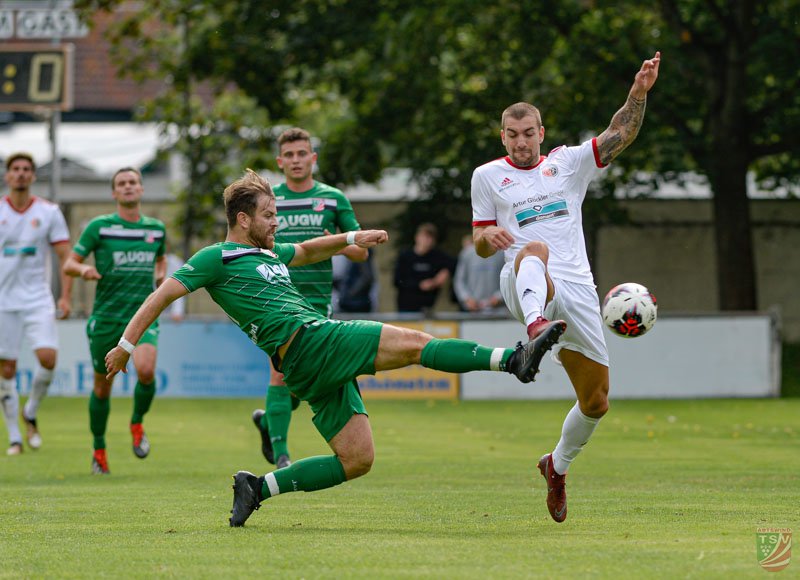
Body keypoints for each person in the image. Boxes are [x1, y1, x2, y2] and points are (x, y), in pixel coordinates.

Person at [103, 169, 552, 527]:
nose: (276, 221)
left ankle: (258, 488)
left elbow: (310, 250)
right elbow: (162, 294)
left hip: (303, 360)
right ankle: (513, 360)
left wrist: (351, 239)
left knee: (357, 460)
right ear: (243, 219)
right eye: (268, 214)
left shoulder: (267, 254)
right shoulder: (214, 258)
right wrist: (127, 344)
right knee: (415, 343)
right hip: (311, 341)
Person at [470, 52, 661, 523]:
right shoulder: (487, 176)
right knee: (533, 249)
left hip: (576, 290)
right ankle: (536, 328)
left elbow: (621, 134)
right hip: (525, 278)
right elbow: (478, 241)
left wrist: (638, 92)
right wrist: (487, 238)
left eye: (528, 133)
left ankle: (556, 466)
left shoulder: (568, 164)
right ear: (503, 137)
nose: (520, 142)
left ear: (541, 132)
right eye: (511, 135)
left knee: (596, 401)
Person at [250, 127, 368, 470]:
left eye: (302, 154)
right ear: (279, 161)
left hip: (317, 302)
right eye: (289, 155)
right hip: (277, 300)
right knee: (280, 375)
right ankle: (282, 454)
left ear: (313, 158)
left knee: (302, 381)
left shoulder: (332, 198)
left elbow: (360, 252)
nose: (296, 160)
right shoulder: (268, 200)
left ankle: (269, 422)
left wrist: (341, 243)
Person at [63, 167, 167, 475]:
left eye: (133, 182)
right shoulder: (100, 227)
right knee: (101, 388)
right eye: (122, 183)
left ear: (141, 189)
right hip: (107, 319)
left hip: (142, 315)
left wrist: (161, 275)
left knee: (146, 371)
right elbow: (70, 262)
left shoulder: (156, 229)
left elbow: (161, 258)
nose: (128, 187)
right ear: (114, 193)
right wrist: (83, 271)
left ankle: (136, 423)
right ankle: (99, 450)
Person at [0, 152, 72, 455]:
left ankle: (30, 411)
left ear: (32, 176)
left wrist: (65, 295)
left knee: (48, 359)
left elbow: (64, 257)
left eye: (26, 169)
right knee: (7, 369)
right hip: (3, 301)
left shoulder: (49, 211)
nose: (20, 174)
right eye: (15, 169)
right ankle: (15, 437)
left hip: (37, 298)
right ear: (7, 175)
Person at [393, 222, 455, 313]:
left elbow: (455, 263)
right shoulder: (405, 256)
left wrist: (444, 273)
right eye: (424, 237)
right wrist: (419, 285)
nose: (427, 241)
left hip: (427, 308)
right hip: (406, 307)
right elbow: (397, 281)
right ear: (417, 237)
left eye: (430, 238)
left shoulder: (437, 257)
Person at [453, 234, 505, 314]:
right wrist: (466, 298)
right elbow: (459, 280)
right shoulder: (467, 253)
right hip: (472, 311)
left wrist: (498, 297)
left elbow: (509, 280)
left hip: (499, 311)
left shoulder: (503, 252)